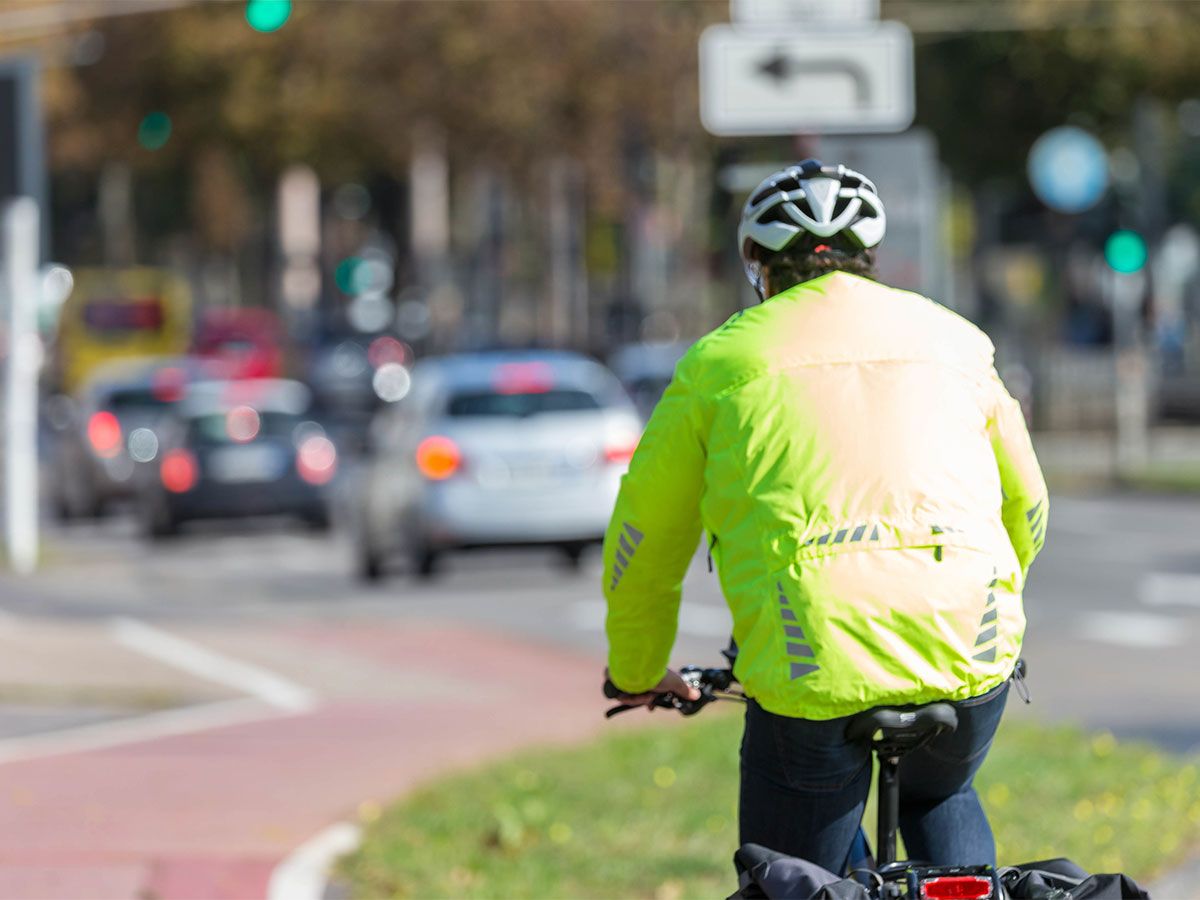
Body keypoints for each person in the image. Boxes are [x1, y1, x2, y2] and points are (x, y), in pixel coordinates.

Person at [601, 159, 1047, 874]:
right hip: (966, 636)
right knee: (943, 789)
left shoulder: (721, 362)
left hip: (810, 652)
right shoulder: (958, 341)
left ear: (759, 268)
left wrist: (637, 669)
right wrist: (988, 597)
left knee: (794, 870)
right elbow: (1027, 503)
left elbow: (643, 540)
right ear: (868, 258)